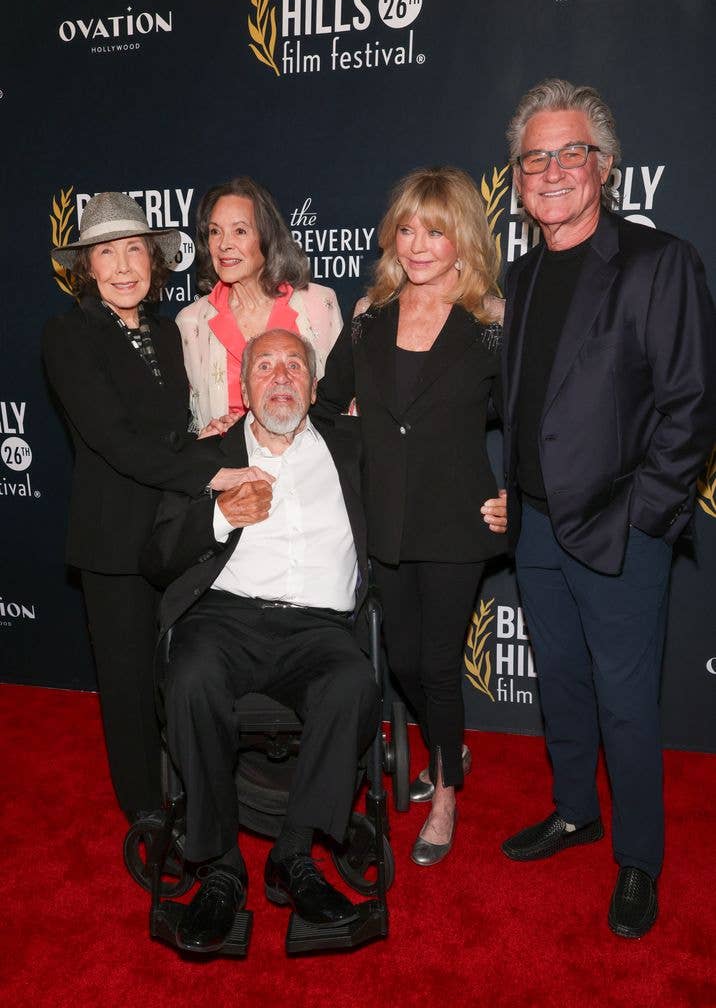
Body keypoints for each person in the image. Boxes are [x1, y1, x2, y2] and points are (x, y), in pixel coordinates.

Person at [500, 79, 716, 938]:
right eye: (535, 158)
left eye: (570, 153)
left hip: (621, 529)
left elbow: (693, 402)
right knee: (562, 683)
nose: (552, 170)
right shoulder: (517, 277)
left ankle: (638, 858)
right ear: (516, 179)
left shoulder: (658, 263)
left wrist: (647, 515)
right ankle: (573, 810)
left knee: (628, 701)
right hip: (538, 526)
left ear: (606, 166)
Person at [140, 329, 380, 952]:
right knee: (190, 675)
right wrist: (221, 516)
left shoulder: (351, 446)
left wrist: (490, 504)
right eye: (265, 366)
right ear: (243, 388)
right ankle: (220, 867)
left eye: (293, 365)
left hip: (320, 628)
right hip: (226, 622)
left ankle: (293, 855)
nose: (280, 377)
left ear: (313, 383)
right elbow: (157, 555)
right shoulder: (206, 455)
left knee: (354, 682)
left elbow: (425, 479)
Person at [315, 167, 508, 866]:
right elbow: (325, 406)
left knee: (436, 663)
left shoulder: (489, 324)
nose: (420, 244)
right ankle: (449, 744)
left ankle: (447, 792)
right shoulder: (369, 318)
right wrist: (359, 443)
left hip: (459, 518)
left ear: (463, 240)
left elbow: (536, 419)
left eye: (436, 230)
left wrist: (517, 493)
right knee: (401, 657)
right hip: (389, 518)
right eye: (408, 228)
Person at [44, 192, 249, 821]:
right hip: (112, 544)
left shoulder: (164, 330)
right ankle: (147, 819)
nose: (124, 265)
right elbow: (118, 443)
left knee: (178, 678)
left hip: (173, 533)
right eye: (107, 252)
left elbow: (173, 434)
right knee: (129, 690)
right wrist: (216, 474)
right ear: (87, 266)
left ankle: (190, 795)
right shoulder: (68, 334)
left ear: (154, 260)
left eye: (135, 248)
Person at [176, 176, 343, 434]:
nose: (223, 245)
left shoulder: (319, 305)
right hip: (231, 468)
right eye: (214, 231)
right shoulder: (191, 322)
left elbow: (339, 409)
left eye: (240, 231)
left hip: (307, 469)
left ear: (267, 237)